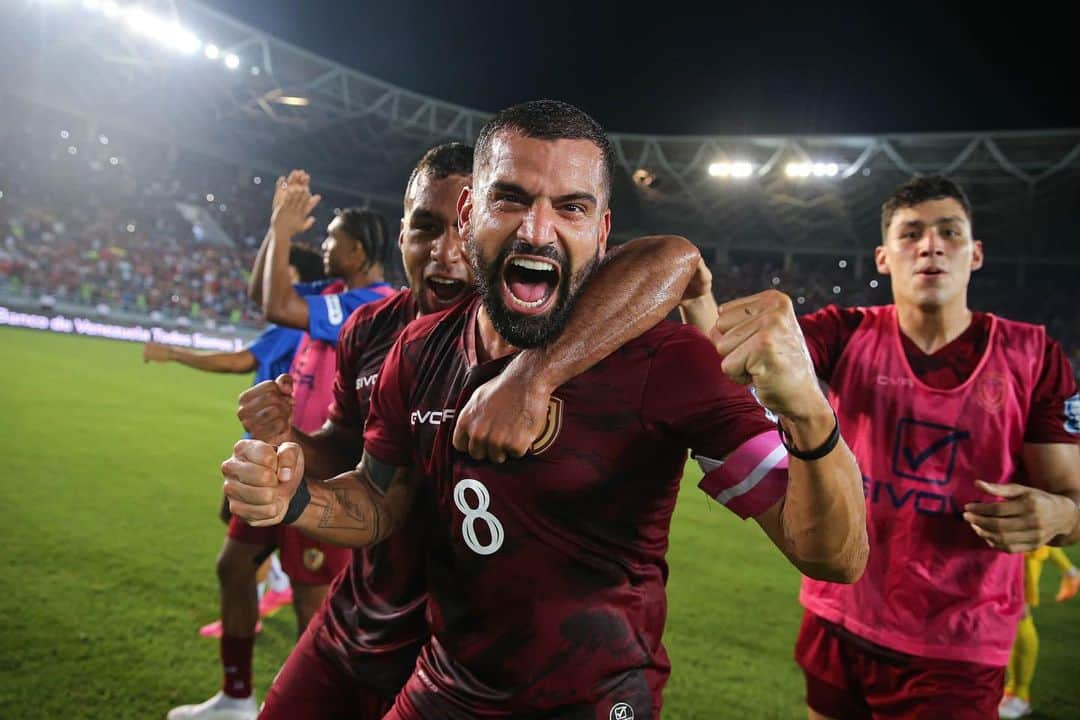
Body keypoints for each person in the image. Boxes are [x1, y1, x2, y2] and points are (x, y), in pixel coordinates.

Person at [222, 99, 868, 719]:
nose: (537, 229)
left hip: (593, 703)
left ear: (602, 230)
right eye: (511, 198)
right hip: (445, 689)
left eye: (571, 207)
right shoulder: (417, 350)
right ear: (470, 209)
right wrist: (298, 499)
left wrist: (809, 411)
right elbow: (377, 500)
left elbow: (833, 556)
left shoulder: (664, 362)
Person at [682, 174, 1080, 719]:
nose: (931, 245)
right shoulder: (845, 331)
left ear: (976, 253)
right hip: (838, 612)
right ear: (884, 257)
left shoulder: (1034, 357)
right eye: (910, 233)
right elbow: (732, 371)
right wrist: (699, 298)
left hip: (957, 642)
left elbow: (1073, 500)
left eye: (949, 232)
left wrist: (1058, 513)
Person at [168, 174, 392, 720]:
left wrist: (284, 229)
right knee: (234, 566)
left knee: (312, 602)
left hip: (326, 475)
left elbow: (277, 307)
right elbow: (260, 295)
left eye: (334, 238)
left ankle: (302, 709)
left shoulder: (377, 305)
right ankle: (237, 698)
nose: (325, 248)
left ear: (359, 251)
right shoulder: (336, 294)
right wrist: (276, 229)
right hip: (278, 459)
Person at [999, 546, 1080, 718]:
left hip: (1022, 555)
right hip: (1007, 550)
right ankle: (1013, 691)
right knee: (1010, 616)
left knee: (1020, 614)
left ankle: (1021, 695)